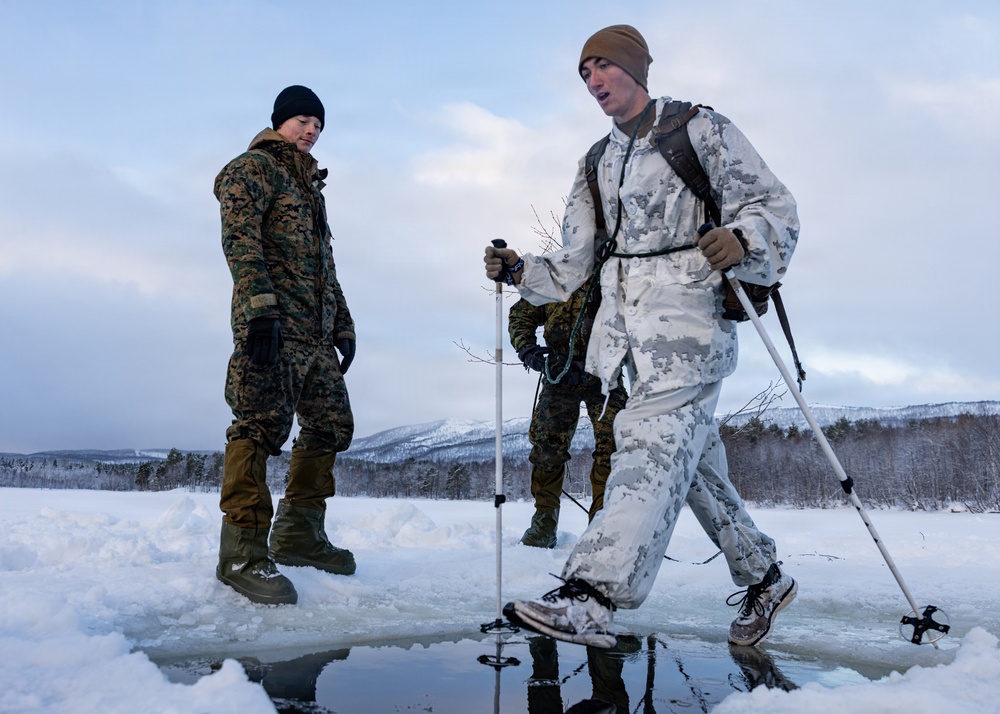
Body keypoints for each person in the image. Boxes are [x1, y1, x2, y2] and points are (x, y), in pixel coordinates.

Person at [484, 25, 799, 648]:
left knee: (647, 449)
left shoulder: (699, 130)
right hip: (626, 343)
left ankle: (593, 595)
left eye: (603, 66)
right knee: (692, 469)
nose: (594, 80)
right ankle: (765, 576)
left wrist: (744, 241)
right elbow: (576, 263)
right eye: (584, 72)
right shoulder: (595, 162)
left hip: (691, 329)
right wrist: (523, 271)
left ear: (635, 68)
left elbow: (774, 207)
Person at [214, 85, 357, 605]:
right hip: (271, 324)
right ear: (279, 122)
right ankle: (242, 553)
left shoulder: (309, 187)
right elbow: (240, 239)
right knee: (258, 423)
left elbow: (324, 266)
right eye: (302, 120)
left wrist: (342, 322)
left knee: (331, 423)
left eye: (318, 124)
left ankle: (298, 535)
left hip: (315, 333)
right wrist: (259, 309)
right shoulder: (252, 169)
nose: (311, 130)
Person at [509, 277, 627, 547]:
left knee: (615, 447)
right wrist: (527, 350)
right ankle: (544, 525)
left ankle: (602, 526)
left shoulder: (616, 272)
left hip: (606, 376)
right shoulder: (558, 276)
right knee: (546, 450)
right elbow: (522, 313)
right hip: (560, 374)